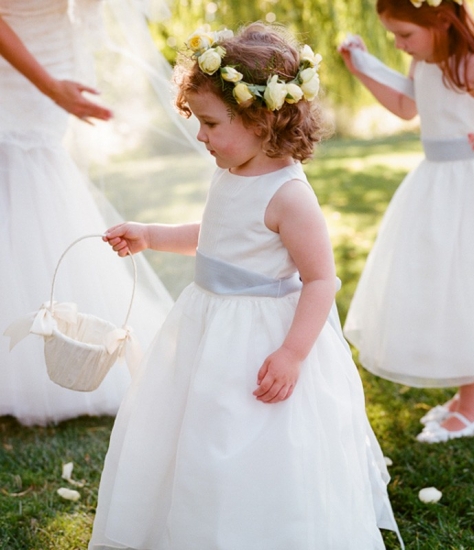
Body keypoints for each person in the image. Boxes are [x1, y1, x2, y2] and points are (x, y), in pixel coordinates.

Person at [89, 22, 402, 550]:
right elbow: (214, 238)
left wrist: (292, 354)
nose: (200, 136)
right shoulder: (230, 172)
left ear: (261, 120)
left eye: (210, 123)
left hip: (261, 339)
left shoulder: (290, 197)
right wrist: (149, 235)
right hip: (206, 327)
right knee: (200, 434)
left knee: (251, 439)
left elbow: (320, 279)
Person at [339, 0, 474, 443]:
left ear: (440, 19)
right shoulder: (423, 62)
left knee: (468, 286)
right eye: (394, 37)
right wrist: (362, 69)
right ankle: (471, 391)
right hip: (437, 185)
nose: (399, 45)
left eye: (405, 35)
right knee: (443, 285)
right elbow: (404, 106)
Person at [0, 1, 180, 426]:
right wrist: (49, 86)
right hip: (19, 53)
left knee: (34, 178)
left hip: (54, 44)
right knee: (22, 167)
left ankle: (52, 345)